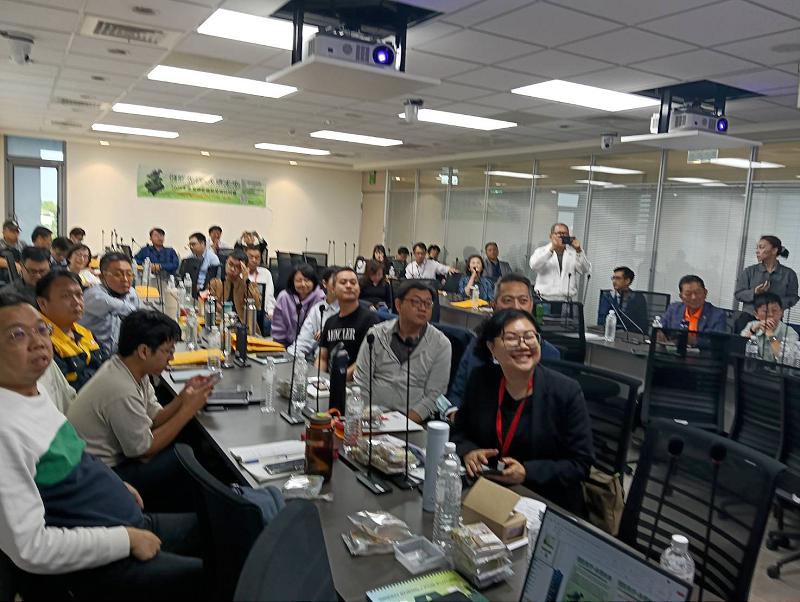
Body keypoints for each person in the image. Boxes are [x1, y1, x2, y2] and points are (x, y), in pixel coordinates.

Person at [0, 293, 204, 600]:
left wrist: (116, 483)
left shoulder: (34, 391)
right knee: (223, 572)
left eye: (42, 329)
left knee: (228, 527)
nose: (38, 341)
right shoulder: (5, 431)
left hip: (124, 518)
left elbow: (73, 455)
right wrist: (127, 540)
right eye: (17, 335)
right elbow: (31, 548)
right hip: (103, 559)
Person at [451, 308, 594, 515]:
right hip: (486, 492)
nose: (523, 345)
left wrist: (527, 472)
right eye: (511, 338)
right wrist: (469, 451)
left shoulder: (565, 392)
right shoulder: (481, 379)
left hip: (542, 500)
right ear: (492, 347)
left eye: (529, 336)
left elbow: (581, 463)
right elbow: (459, 431)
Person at [68, 310, 215, 511]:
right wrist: (187, 410)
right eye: (167, 351)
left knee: (190, 435)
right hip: (103, 475)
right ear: (144, 351)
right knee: (184, 456)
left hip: (115, 459)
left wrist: (183, 398)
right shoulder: (120, 389)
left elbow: (154, 417)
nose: (171, 358)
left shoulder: (133, 370)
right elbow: (143, 451)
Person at [448, 273, 561, 412]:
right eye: (508, 300)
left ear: (531, 305)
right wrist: (453, 413)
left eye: (523, 300)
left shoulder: (548, 354)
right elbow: (456, 395)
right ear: (494, 305)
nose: (516, 307)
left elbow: (548, 410)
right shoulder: (478, 345)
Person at [354, 280, 451, 423]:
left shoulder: (441, 344)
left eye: (428, 303)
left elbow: (434, 396)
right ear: (398, 305)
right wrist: (367, 417)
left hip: (412, 423)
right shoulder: (376, 335)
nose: (423, 308)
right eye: (416, 302)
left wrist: (401, 423)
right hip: (370, 419)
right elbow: (361, 381)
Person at [36, 270, 106, 392]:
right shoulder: (40, 342)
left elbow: (108, 365)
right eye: (65, 296)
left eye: (79, 295)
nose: (76, 302)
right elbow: (64, 390)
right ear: (43, 303)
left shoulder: (84, 332)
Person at [317, 267, 380, 379]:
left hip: (356, 383)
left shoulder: (370, 319)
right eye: (343, 282)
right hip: (328, 382)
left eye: (353, 282)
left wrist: (340, 380)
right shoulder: (330, 322)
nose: (349, 286)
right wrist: (318, 378)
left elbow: (369, 359)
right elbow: (322, 358)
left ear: (359, 288)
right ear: (333, 289)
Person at [81, 252, 142, 355]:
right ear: (102, 277)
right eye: (118, 274)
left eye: (129, 274)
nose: (125, 279)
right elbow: (135, 314)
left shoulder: (131, 292)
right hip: (91, 354)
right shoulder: (94, 295)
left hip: (117, 353)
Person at [734, 235, 799, 318]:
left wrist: (775, 304)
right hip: (749, 317)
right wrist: (755, 292)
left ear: (774, 250)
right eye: (757, 248)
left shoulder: (789, 274)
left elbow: (793, 298)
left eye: (761, 247)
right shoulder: (749, 271)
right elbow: (738, 294)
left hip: (774, 319)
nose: (757, 251)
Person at [529, 223, 591, 301]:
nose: (562, 236)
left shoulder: (573, 252)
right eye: (559, 233)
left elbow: (584, 269)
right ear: (551, 236)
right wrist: (551, 250)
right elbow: (534, 265)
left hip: (566, 300)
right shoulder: (541, 251)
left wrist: (579, 250)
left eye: (565, 234)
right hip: (544, 299)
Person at [287, 267, 339, 359]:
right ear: (325, 283)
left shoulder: (351, 310)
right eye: (336, 282)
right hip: (317, 361)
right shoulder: (317, 309)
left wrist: (329, 332)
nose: (341, 286)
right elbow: (303, 343)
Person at [207, 250, 263, 333]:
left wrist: (246, 280)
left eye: (238, 267)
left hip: (244, 329)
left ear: (244, 268)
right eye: (230, 264)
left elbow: (257, 305)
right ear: (226, 262)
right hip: (220, 327)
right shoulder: (215, 283)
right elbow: (209, 304)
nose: (233, 269)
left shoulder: (248, 285)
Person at [272, 264, 325, 346]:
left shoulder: (321, 298)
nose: (303, 284)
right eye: (298, 281)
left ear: (314, 281)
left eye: (307, 280)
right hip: (285, 344)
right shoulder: (284, 297)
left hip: (312, 346)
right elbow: (278, 326)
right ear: (292, 281)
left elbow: (325, 323)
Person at [740, 292, 799, 363]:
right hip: (754, 368)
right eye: (766, 311)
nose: (770, 314)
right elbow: (739, 348)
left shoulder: (790, 332)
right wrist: (752, 330)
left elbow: (786, 359)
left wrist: (770, 334)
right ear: (756, 314)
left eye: (774, 311)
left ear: (782, 313)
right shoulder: (752, 325)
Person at [661, 275, 727, 333]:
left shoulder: (717, 315)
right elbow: (660, 328)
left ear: (705, 293)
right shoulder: (673, 309)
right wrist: (660, 334)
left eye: (697, 292)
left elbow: (716, 341)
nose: (693, 297)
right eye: (688, 294)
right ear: (681, 297)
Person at [597, 266, 649, 334]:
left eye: (618, 278)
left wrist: (625, 331)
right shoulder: (608, 297)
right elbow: (601, 320)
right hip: (611, 333)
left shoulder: (638, 298)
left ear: (627, 281)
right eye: (613, 278)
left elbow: (642, 324)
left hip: (631, 335)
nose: (614, 281)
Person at [245, 244, 276, 331]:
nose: (254, 260)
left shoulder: (266, 273)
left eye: (257, 257)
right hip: (245, 311)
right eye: (251, 257)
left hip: (262, 312)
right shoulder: (240, 273)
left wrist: (270, 312)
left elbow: (269, 296)